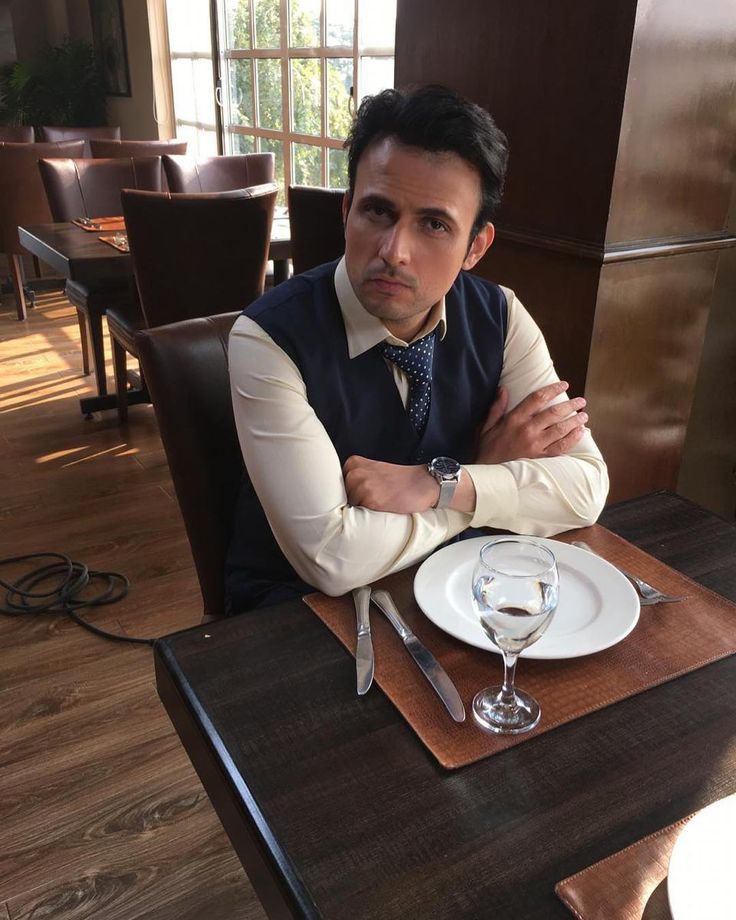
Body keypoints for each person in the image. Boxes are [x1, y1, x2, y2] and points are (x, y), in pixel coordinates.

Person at [226, 84, 608, 613]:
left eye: (434, 224)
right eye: (378, 212)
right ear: (346, 211)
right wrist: (475, 474)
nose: (394, 252)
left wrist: (436, 484)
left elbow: (585, 488)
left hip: (456, 595)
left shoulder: (502, 315)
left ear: (476, 246)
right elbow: (331, 558)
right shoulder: (268, 338)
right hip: (300, 618)